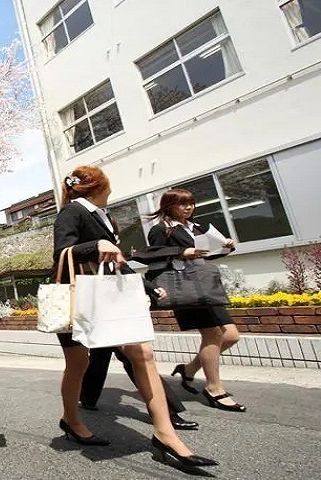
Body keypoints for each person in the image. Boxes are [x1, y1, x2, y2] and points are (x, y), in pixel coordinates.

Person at [52, 166, 217, 471]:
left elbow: (118, 262)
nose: (112, 188)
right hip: (80, 300)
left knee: (142, 353)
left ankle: (165, 434)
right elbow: (62, 251)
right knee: (78, 364)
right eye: (108, 183)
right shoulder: (72, 212)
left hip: (110, 298)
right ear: (98, 186)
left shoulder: (104, 216)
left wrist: (148, 286)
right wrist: (95, 245)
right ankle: (71, 419)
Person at [139, 188, 245, 412]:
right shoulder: (161, 230)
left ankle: (188, 370)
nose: (188, 208)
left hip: (206, 286)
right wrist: (180, 252)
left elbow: (206, 254)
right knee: (214, 334)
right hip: (187, 288)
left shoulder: (197, 227)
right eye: (182, 204)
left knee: (231, 336)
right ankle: (215, 389)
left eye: (191, 203)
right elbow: (153, 255)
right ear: (169, 206)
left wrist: (224, 248)